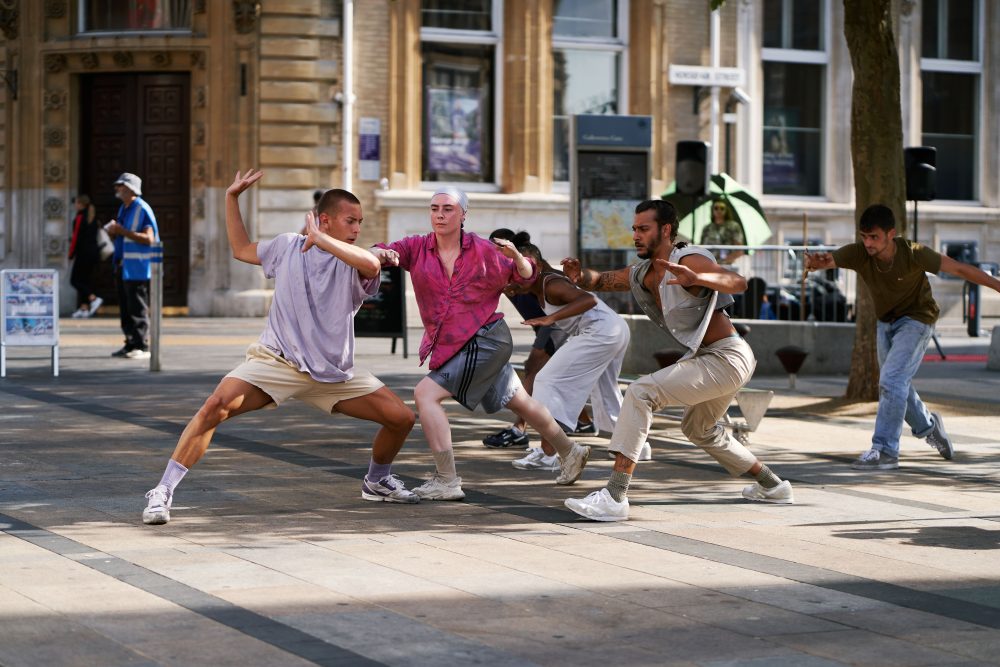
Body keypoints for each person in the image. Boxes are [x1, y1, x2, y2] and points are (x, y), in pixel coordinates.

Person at [141, 170, 418, 525]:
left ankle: (376, 481)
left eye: (360, 222)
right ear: (325, 219)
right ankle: (162, 491)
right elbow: (241, 249)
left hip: (332, 372)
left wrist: (321, 239)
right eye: (350, 221)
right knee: (215, 406)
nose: (357, 228)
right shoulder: (287, 246)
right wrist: (231, 198)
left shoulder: (355, 260)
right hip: (277, 362)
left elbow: (370, 262)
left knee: (402, 419)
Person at [561, 199, 794, 521]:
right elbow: (601, 280)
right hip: (714, 359)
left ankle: (614, 496)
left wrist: (698, 279)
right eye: (634, 229)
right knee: (700, 429)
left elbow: (737, 282)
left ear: (666, 229)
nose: (636, 236)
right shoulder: (643, 272)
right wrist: (578, 275)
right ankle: (773, 485)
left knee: (640, 392)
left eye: (644, 229)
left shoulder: (689, 258)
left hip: (727, 357)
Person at [373, 187, 591, 500]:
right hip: (455, 344)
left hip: (486, 339)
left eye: (448, 209)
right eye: (434, 208)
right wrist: (379, 254)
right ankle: (570, 451)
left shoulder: (482, 249)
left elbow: (525, 275)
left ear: (463, 214)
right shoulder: (417, 248)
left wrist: (517, 256)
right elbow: (379, 250)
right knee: (520, 401)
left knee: (426, 394)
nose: (440, 215)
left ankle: (447, 480)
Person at [804, 204, 1000, 470]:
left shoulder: (913, 253)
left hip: (918, 320)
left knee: (891, 379)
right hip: (886, 323)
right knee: (897, 385)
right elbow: (829, 259)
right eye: (864, 236)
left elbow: (960, 269)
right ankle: (929, 427)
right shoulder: (858, 254)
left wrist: (997, 286)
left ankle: (885, 450)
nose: (868, 243)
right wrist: (815, 262)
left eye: (874, 237)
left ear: (891, 234)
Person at [505, 232, 636, 473]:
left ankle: (548, 453)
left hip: (601, 331)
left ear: (538, 266)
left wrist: (551, 318)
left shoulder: (551, 284)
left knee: (547, 380)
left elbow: (588, 300)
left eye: (521, 269)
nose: (516, 275)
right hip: (613, 328)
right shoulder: (537, 284)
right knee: (606, 391)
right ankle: (634, 446)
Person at [481, 228, 595, 448]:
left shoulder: (525, 262)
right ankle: (584, 422)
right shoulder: (499, 268)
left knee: (534, 368)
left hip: (555, 323)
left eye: (495, 248)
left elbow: (548, 278)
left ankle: (519, 429)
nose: (490, 253)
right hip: (544, 324)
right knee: (546, 371)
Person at [104, 173, 159, 359]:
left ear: (131, 190)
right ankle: (129, 343)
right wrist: (113, 232)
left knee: (137, 308)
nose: (117, 189)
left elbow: (149, 239)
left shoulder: (142, 209)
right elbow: (122, 235)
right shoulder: (123, 208)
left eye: (121, 186)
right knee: (126, 308)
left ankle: (141, 345)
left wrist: (122, 231)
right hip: (122, 265)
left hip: (138, 267)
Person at [68, 194, 104, 318]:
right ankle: (84, 308)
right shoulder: (93, 217)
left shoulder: (79, 217)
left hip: (83, 254)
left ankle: (93, 299)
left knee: (75, 280)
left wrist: (71, 254)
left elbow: (75, 238)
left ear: (81, 204)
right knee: (85, 281)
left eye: (76, 203)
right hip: (93, 253)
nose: (75, 205)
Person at [699, 198, 746, 266]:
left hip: (726, 265)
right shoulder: (707, 228)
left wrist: (725, 260)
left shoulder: (733, 226)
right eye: (716, 208)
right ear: (712, 210)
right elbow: (701, 247)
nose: (719, 210)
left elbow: (739, 249)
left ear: (726, 210)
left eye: (722, 208)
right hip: (708, 264)